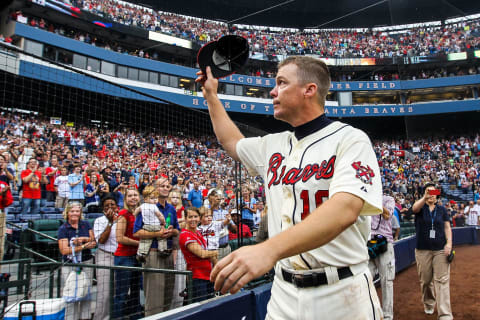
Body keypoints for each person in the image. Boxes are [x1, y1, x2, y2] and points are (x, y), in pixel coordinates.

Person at [196, 56, 383, 319]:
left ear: (309, 90)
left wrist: (268, 250)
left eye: (281, 83)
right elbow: (231, 141)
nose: (272, 91)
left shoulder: (350, 139)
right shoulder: (273, 144)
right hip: (283, 293)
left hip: (341, 293)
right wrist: (211, 96)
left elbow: (346, 209)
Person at [133, 177, 180, 315]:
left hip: (168, 252)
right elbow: (136, 232)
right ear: (155, 188)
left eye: (167, 186)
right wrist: (158, 233)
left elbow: (178, 230)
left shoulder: (171, 207)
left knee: (167, 295)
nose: (166, 188)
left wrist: (171, 231)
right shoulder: (146, 207)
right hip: (153, 253)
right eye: (162, 186)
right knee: (154, 298)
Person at [412, 183, 453, 319]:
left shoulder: (441, 210)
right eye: (427, 192)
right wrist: (424, 197)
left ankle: (445, 313)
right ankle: (429, 304)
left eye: (433, 191)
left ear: (437, 194)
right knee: (426, 280)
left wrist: (449, 243)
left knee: (442, 280)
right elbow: (414, 208)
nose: (431, 194)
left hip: (440, 249)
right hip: (423, 250)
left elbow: (447, 227)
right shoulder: (421, 207)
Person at [58, 202, 96, 320]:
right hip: (70, 264)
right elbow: (64, 250)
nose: (75, 213)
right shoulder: (63, 229)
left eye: (77, 211)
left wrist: (84, 239)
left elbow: (93, 241)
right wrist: (83, 246)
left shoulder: (85, 224)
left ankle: (85, 317)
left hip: (87, 261)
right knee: (71, 292)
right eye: (72, 211)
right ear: (67, 213)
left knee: (86, 290)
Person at [113, 188, 142, 320]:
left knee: (136, 292)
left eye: (135, 195)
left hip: (137, 257)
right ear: (125, 199)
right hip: (124, 257)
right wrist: (139, 244)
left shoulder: (139, 214)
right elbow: (120, 238)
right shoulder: (123, 214)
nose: (133, 198)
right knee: (122, 293)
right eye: (130, 196)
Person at [179, 207, 218, 303]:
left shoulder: (197, 232)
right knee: (200, 306)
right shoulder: (185, 234)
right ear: (185, 218)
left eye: (195, 216)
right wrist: (215, 252)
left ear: (199, 218)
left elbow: (206, 253)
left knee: (210, 304)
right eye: (190, 217)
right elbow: (202, 254)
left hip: (207, 275)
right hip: (197, 277)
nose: (193, 219)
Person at [368, 195, 396, 320]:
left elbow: (387, 215)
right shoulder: (365, 197)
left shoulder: (388, 199)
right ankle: (371, 312)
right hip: (368, 243)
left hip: (385, 243)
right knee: (365, 280)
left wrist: (373, 201)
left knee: (387, 281)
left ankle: (387, 316)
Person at [93, 195, 119, 320]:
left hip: (120, 257)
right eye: (107, 205)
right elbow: (102, 240)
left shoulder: (122, 218)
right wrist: (110, 222)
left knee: (119, 290)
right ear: (103, 208)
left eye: (112, 204)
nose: (110, 207)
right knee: (104, 292)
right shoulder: (99, 220)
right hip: (105, 255)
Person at [134, 185, 166, 262]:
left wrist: (135, 216)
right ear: (145, 199)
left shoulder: (142, 206)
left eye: (156, 198)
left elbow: (136, 211)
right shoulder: (154, 207)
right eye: (152, 198)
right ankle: (162, 250)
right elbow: (160, 215)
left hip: (146, 226)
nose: (155, 200)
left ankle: (141, 253)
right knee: (161, 238)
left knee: (145, 241)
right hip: (156, 226)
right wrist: (163, 222)